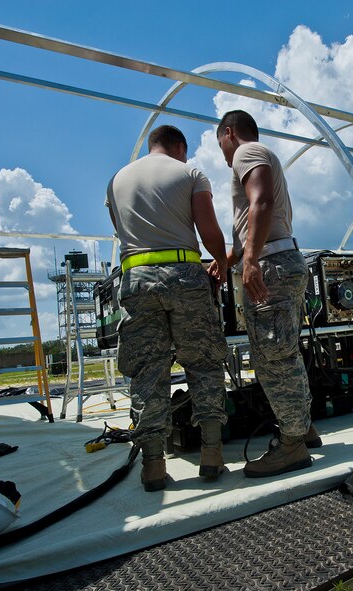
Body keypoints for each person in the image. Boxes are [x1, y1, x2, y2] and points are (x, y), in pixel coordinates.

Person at [106, 125, 229, 492]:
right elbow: (208, 229)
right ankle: (211, 455)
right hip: (185, 275)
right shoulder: (189, 173)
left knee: (147, 370)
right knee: (204, 362)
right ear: (179, 147)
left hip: (136, 279)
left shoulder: (116, 180)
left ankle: (153, 465)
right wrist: (221, 261)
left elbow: (121, 231)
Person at [213, 109, 318, 478]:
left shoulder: (246, 152)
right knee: (285, 350)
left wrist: (252, 261)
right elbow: (250, 223)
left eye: (220, 144)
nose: (224, 155)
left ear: (229, 133)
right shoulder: (260, 154)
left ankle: (291, 445)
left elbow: (261, 203)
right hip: (281, 258)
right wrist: (229, 261)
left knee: (272, 357)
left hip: (270, 264)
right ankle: (303, 427)